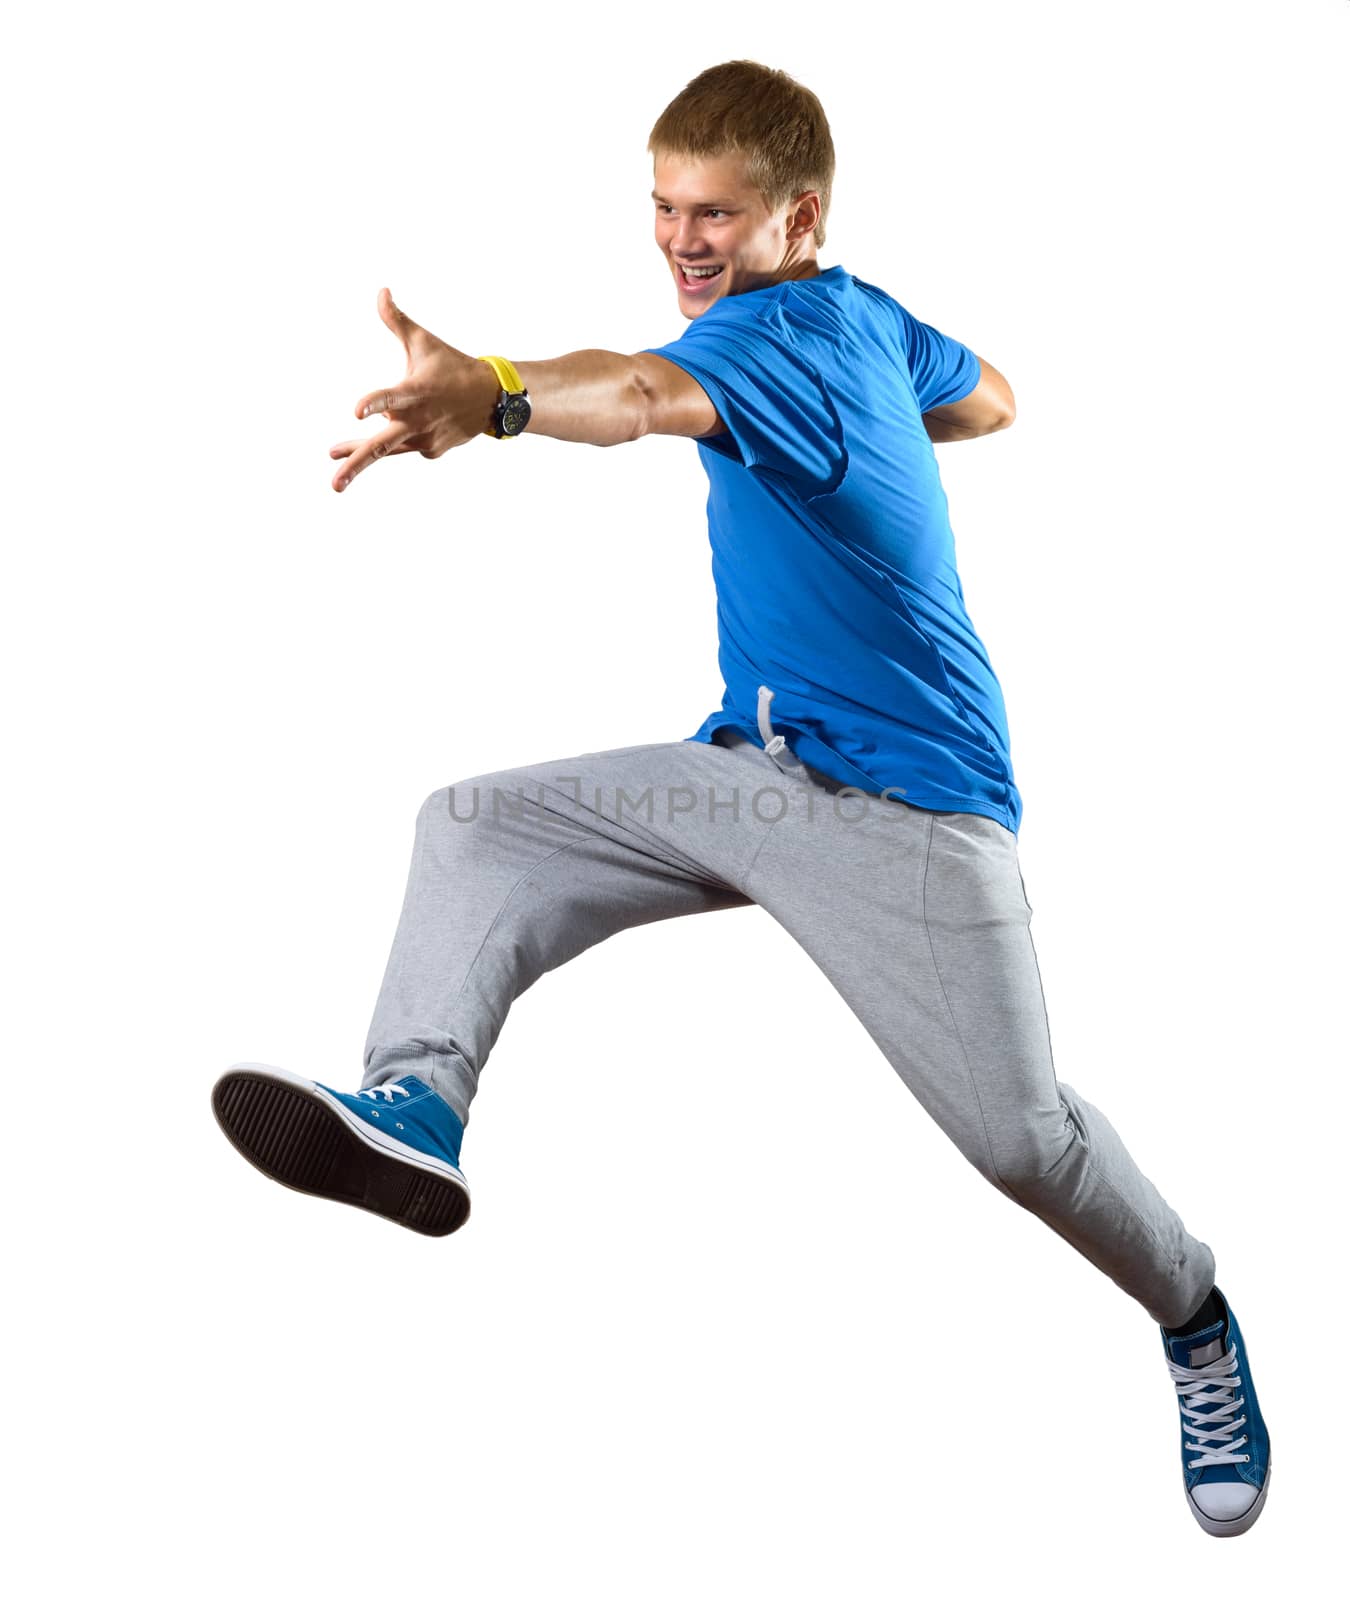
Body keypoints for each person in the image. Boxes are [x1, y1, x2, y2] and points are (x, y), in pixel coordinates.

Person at [211, 58, 1271, 1537]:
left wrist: (501, 394)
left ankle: (1194, 1313)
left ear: (795, 216)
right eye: (661, 205)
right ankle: (419, 1102)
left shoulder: (780, 343)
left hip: (908, 817)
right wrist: (887, 440)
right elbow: (995, 400)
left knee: (1023, 1143)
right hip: (751, 772)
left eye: (713, 213)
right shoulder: (866, 320)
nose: (680, 239)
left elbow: (638, 393)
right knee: (474, 822)